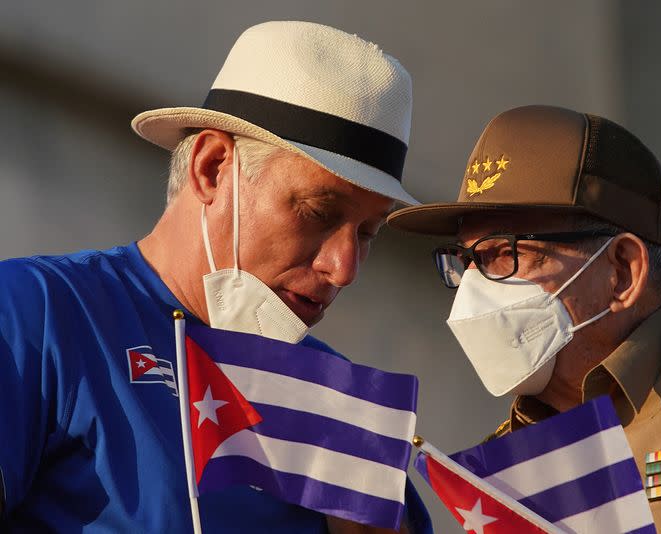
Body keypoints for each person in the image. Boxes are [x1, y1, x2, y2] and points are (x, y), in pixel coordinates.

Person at [0, 21, 430, 533]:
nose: (344, 267)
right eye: (318, 212)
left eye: (367, 233)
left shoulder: (340, 405)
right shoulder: (38, 311)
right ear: (212, 167)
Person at [388, 105, 661, 532]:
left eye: (505, 253)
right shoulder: (498, 475)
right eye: (465, 259)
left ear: (622, 271)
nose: (473, 288)